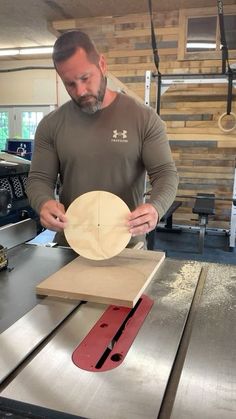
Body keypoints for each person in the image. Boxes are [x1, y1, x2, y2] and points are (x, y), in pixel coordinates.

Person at [26, 30, 178, 247]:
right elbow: (39, 179)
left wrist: (155, 207)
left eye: (85, 78)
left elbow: (166, 174)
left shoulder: (143, 118)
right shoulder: (51, 125)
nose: (80, 91)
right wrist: (44, 202)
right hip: (71, 245)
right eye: (70, 84)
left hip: (125, 244)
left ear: (102, 65)